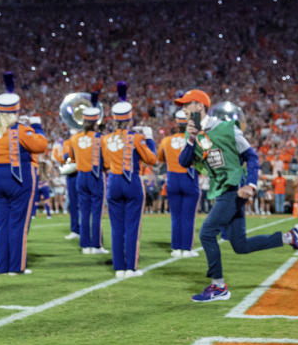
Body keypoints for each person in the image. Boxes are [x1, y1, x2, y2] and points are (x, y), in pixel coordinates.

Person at [174, 89, 298, 302]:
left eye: (187, 104)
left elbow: (252, 157)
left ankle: (218, 286)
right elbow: (183, 162)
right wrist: (191, 139)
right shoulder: (192, 133)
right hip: (221, 190)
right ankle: (290, 237)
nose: (183, 109)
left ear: (200, 107)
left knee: (207, 233)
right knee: (240, 245)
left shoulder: (227, 129)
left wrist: (251, 184)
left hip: (233, 189)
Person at [0, 73, 48, 274]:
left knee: (1, 224)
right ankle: (16, 267)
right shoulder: (20, 130)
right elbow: (41, 145)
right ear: (16, 111)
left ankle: (3, 267)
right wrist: (36, 127)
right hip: (17, 177)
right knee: (18, 224)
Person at [101, 83, 158, 278]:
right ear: (129, 118)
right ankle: (130, 267)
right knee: (132, 225)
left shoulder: (106, 139)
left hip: (113, 182)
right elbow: (152, 159)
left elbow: (105, 163)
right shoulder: (135, 137)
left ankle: (119, 268)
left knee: (116, 227)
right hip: (131, 181)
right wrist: (149, 139)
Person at [67, 101, 108, 255]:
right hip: (96, 175)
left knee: (84, 211)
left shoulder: (74, 138)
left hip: (80, 176)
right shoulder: (100, 138)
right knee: (96, 211)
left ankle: (85, 245)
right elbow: (107, 159)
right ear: (96, 122)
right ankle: (96, 245)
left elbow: (70, 157)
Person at [158, 110, 201, 257]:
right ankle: (186, 248)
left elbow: (160, 158)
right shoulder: (196, 139)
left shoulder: (166, 140)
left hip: (172, 178)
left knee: (175, 216)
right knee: (188, 216)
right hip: (189, 177)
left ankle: (176, 248)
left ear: (176, 123)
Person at [54, 132, 81, 240]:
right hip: (72, 175)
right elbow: (66, 160)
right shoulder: (67, 142)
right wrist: (57, 155)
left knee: (82, 204)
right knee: (74, 204)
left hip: (81, 173)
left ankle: (82, 230)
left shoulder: (81, 140)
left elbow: (67, 159)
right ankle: (75, 230)